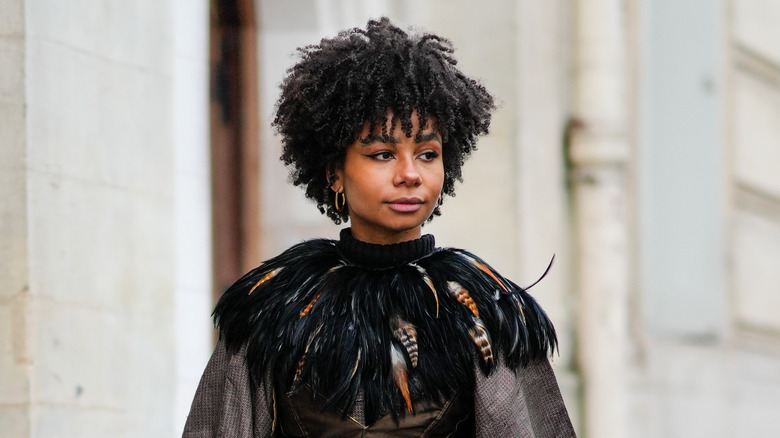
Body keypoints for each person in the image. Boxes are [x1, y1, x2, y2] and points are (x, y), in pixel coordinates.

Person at [183, 17, 575, 437]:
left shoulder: (484, 312)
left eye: (427, 153)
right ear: (335, 171)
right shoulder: (273, 312)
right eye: (383, 154)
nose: (410, 173)